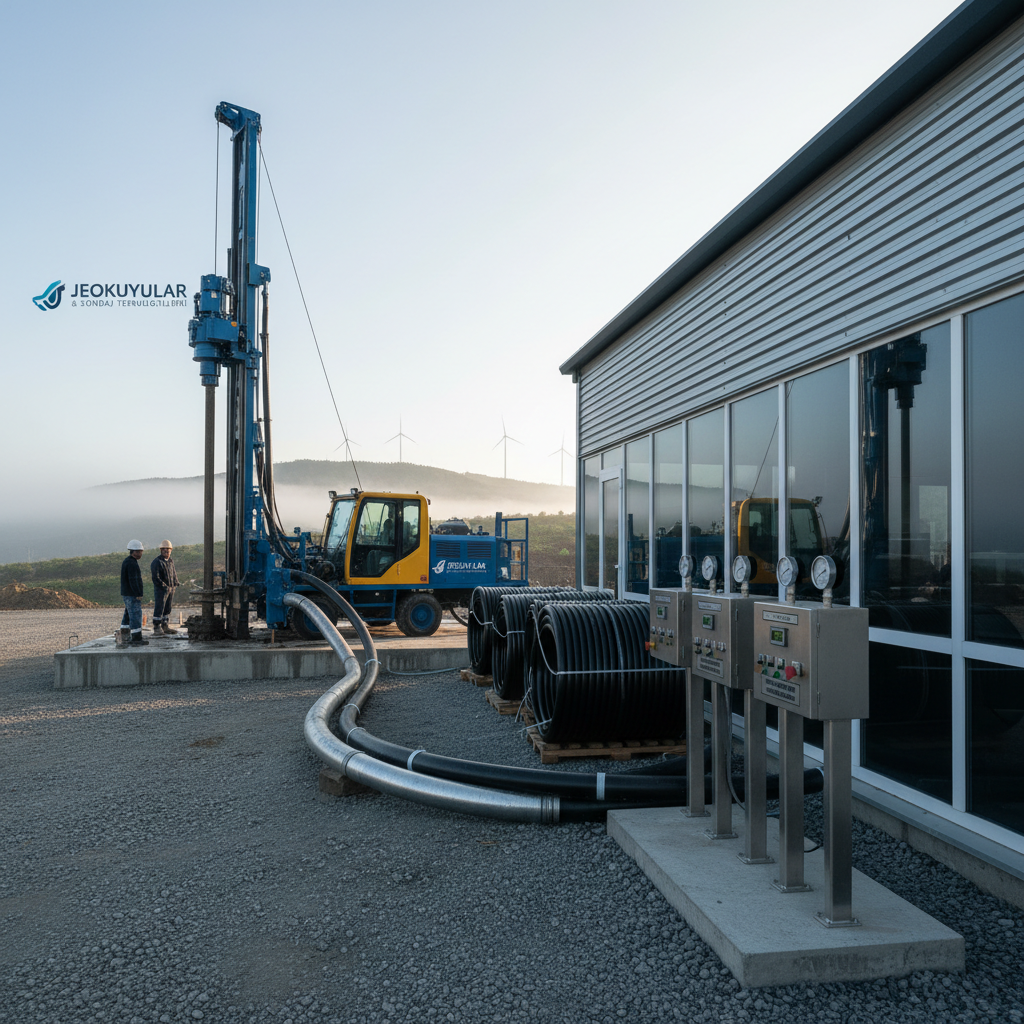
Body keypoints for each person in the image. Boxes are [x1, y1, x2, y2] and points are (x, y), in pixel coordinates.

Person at [120, 540, 149, 646]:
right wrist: (138, 593)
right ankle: (136, 638)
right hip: (132, 594)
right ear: (135, 552)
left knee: (128, 614)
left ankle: (124, 635)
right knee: (136, 614)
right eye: (140, 551)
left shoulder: (127, 561)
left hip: (126, 593)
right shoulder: (132, 563)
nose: (141, 553)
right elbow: (134, 580)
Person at [151, 540, 180, 634]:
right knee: (160, 607)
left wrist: (176, 582)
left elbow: (173, 573)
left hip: (171, 588)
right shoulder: (157, 562)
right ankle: (157, 627)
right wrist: (164, 586)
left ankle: (165, 625)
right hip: (161, 590)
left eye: (168, 549)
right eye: (164, 549)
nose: (166, 551)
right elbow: (156, 577)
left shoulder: (170, 561)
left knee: (167, 608)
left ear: (171, 550)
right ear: (161, 550)